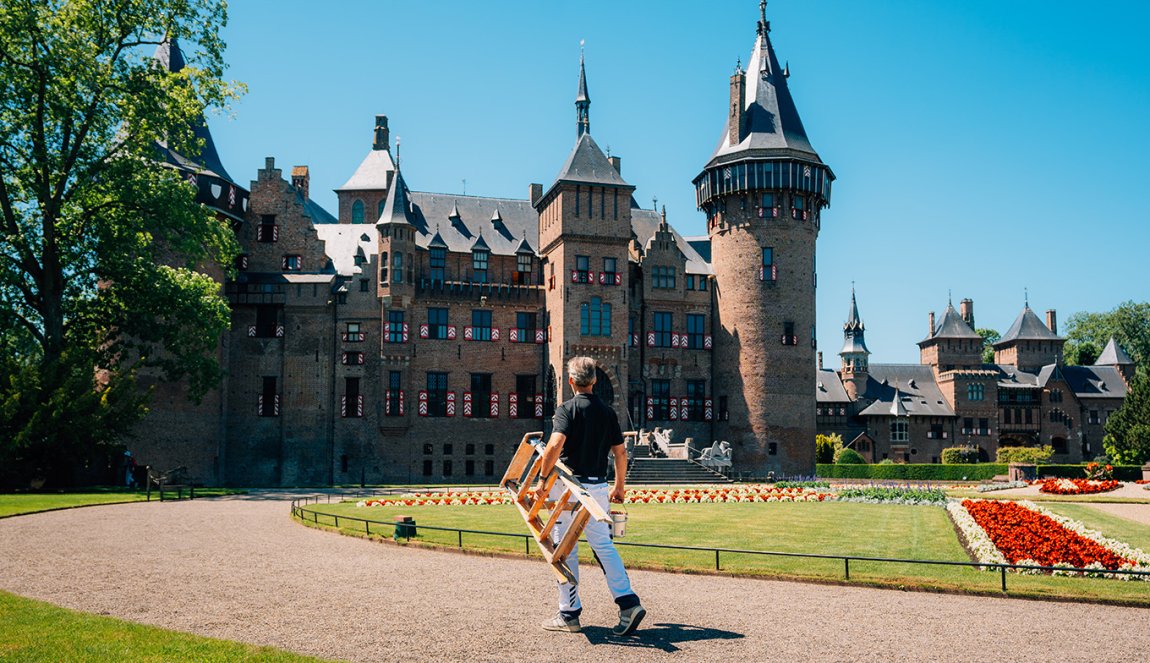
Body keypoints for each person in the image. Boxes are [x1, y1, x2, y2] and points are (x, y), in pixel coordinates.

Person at [536, 356, 645, 636]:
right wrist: (620, 486)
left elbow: (555, 444)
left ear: (571, 381)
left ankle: (568, 613)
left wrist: (541, 479)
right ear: (594, 381)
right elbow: (620, 452)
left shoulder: (566, 409)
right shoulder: (607, 412)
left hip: (570, 489)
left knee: (564, 548)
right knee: (604, 547)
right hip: (597, 487)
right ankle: (628, 602)